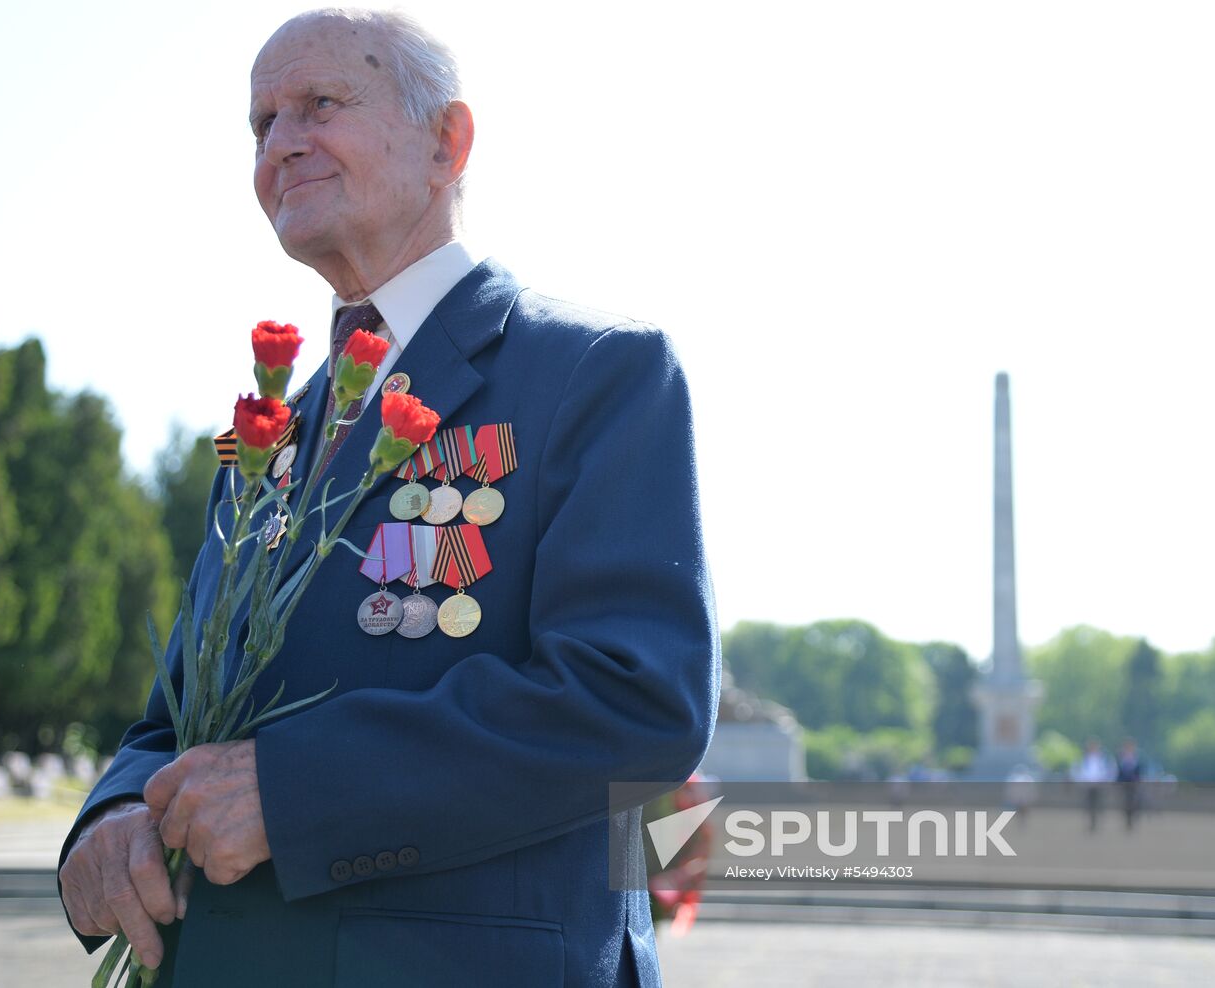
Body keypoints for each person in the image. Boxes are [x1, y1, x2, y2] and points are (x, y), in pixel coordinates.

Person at [56, 8, 719, 986]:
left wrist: (295, 794)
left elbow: (635, 697)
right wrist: (111, 814)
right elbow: (175, 713)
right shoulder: (268, 434)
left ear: (446, 140)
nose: (281, 143)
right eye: (260, 123)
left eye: (319, 103)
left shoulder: (589, 371)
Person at [1071, 738, 1113, 832]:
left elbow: (1110, 771)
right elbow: (1076, 771)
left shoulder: (1104, 759)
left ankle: (1097, 823)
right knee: (1088, 806)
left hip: (1099, 785)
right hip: (1088, 786)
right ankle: (1090, 824)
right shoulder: (1083, 759)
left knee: (1099, 805)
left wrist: (1106, 781)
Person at [1114, 738, 1145, 831]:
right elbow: (1119, 773)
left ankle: (1131, 819)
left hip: (1134, 785)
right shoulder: (1121, 760)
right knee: (1126, 804)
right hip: (1124, 785)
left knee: (1134, 803)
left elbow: (1139, 772)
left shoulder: (1137, 759)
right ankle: (1128, 821)